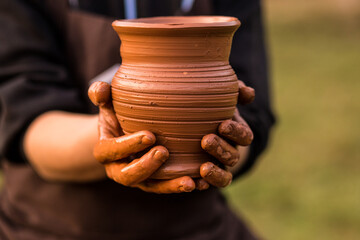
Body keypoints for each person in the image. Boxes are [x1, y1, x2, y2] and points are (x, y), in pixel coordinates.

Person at [0, 0, 275, 239]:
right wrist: (117, 142)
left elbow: (252, 114)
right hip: (47, 227)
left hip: (196, 227)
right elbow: (24, 117)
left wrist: (224, 147)